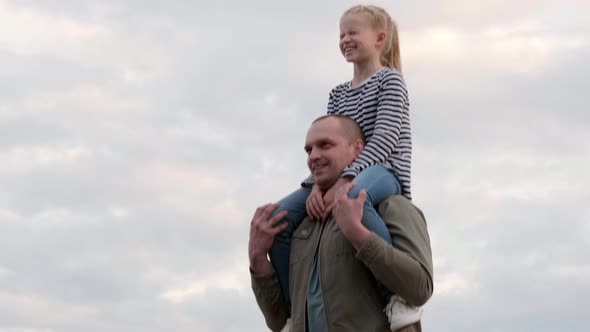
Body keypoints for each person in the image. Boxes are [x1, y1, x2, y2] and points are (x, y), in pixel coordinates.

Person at [268, 4, 416, 327]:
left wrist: (346, 179)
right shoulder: (337, 94)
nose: (345, 39)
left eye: (353, 32)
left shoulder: (390, 81)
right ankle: (296, 310)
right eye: (341, 34)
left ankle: (395, 297)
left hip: (384, 170)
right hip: (343, 176)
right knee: (276, 219)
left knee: (353, 199)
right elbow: (330, 144)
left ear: (380, 38)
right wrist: (314, 187)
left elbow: (385, 138)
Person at [249, 115, 433, 332]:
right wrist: (258, 259)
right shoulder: (301, 225)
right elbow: (281, 321)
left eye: (325, 145)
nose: (313, 156)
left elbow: (419, 289)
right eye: (309, 150)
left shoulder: (391, 206)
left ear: (357, 149)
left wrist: (358, 234)